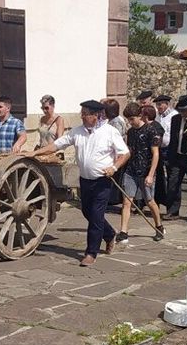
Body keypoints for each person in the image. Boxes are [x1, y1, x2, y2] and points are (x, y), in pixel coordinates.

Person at [28, 100, 129, 267]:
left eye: (85, 114)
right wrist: (36, 152)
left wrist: (114, 167)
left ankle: (91, 253)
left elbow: (125, 153)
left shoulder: (110, 131)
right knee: (87, 212)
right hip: (85, 180)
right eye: (81, 113)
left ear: (96, 116)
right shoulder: (77, 131)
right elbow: (57, 145)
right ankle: (110, 234)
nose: (82, 116)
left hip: (103, 181)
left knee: (96, 215)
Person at [117, 103, 164, 244]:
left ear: (140, 116)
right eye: (128, 119)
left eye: (132, 119)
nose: (130, 122)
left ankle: (159, 226)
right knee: (127, 202)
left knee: (150, 201)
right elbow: (130, 150)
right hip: (131, 171)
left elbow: (155, 154)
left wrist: (150, 174)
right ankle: (124, 231)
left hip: (145, 171)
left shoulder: (151, 130)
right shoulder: (131, 132)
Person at [164, 95, 187, 221]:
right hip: (178, 157)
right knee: (173, 184)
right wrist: (170, 158)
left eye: (185, 111)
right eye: (181, 111)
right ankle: (173, 211)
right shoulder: (175, 119)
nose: (183, 113)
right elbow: (173, 140)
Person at [153, 94, 174, 205]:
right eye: (157, 104)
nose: (159, 107)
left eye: (160, 104)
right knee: (160, 176)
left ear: (167, 104)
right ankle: (159, 199)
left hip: (169, 149)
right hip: (159, 149)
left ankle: (171, 205)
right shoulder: (157, 116)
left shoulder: (173, 116)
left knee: (172, 177)